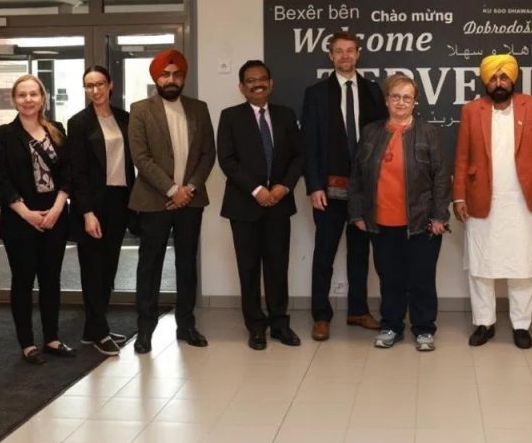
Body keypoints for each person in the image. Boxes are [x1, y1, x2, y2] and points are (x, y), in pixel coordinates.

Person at [453, 54, 532, 349]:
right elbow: (462, 156)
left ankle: (521, 325)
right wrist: (458, 196)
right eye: (494, 78)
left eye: (504, 77)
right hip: (481, 197)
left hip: (523, 200)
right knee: (481, 265)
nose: (499, 83)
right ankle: (484, 322)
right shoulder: (471, 110)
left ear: (513, 79)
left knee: (522, 264)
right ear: (486, 81)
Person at [349, 74, 451, 351]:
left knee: (421, 278)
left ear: (415, 102)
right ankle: (391, 326)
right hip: (381, 221)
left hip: (422, 222)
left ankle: (424, 329)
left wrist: (439, 216)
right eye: (396, 96)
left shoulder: (429, 133)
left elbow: (442, 177)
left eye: (407, 97)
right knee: (390, 278)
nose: (401, 102)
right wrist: (357, 213)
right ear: (386, 100)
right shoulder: (370, 132)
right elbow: (357, 177)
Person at [128, 49, 216, 353]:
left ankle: (186, 325)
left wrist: (188, 188)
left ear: (183, 77)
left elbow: (208, 154)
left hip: (191, 200)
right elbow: (141, 157)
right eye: (165, 74)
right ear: (156, 78)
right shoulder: (140, 110)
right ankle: (144, 330)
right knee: (149, 266)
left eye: (176, 74)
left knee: (187, 264)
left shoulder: (199, 109)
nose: (171, 79)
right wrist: (171, 190)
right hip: (154, 201)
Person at [301, 31, 387, 341]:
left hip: (364, 190)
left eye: (350, 50)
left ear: (358, 53)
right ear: (331, 56)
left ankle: (358, 311)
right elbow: (308, 143)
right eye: (339, 51)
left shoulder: (373, 91)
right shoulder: (316, 93)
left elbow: (382, 140)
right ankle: (321, 316)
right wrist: (314, 186)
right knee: (324, 253)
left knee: (360, 253)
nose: (345, 56)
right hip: (328, 189)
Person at [217, 60, 304, 350]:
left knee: (278, 267)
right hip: (244, 205)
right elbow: (227, 160)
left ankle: (280, 324)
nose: (258, 84)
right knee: (249, 268)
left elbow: (299, 156)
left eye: (262, 79)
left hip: (279, 203)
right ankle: (255, 326)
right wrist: (256, 190)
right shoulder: (230, 116)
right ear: (242, 87)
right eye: (251, 80)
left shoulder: (286, 115)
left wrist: (283, 187)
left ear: (271, 83)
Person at [0, 74, 76, 365]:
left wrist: (57, 209)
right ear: (15, 100)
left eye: (33, 94)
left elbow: (68, 174)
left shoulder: (57, 130)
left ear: (43, 99)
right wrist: (26, 213)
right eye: (22, 95)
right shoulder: (2, 135)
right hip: (19, 220)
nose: (28, 100)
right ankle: (27, 344)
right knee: (23, 281)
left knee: (51, 280)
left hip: (55, 217)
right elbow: (1, 181)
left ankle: (52, 338)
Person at [68, 66, 135, 356]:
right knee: (93, 269)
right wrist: (87, 212)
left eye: (100, 84)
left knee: (109, 267)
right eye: (89, 85)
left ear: (110, 85)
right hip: (93, 205)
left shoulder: (125, 118)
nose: (95, 90)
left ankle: (93, 328)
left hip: (120, 200)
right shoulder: (78, 123)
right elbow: (78, 172)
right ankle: (98, 331)